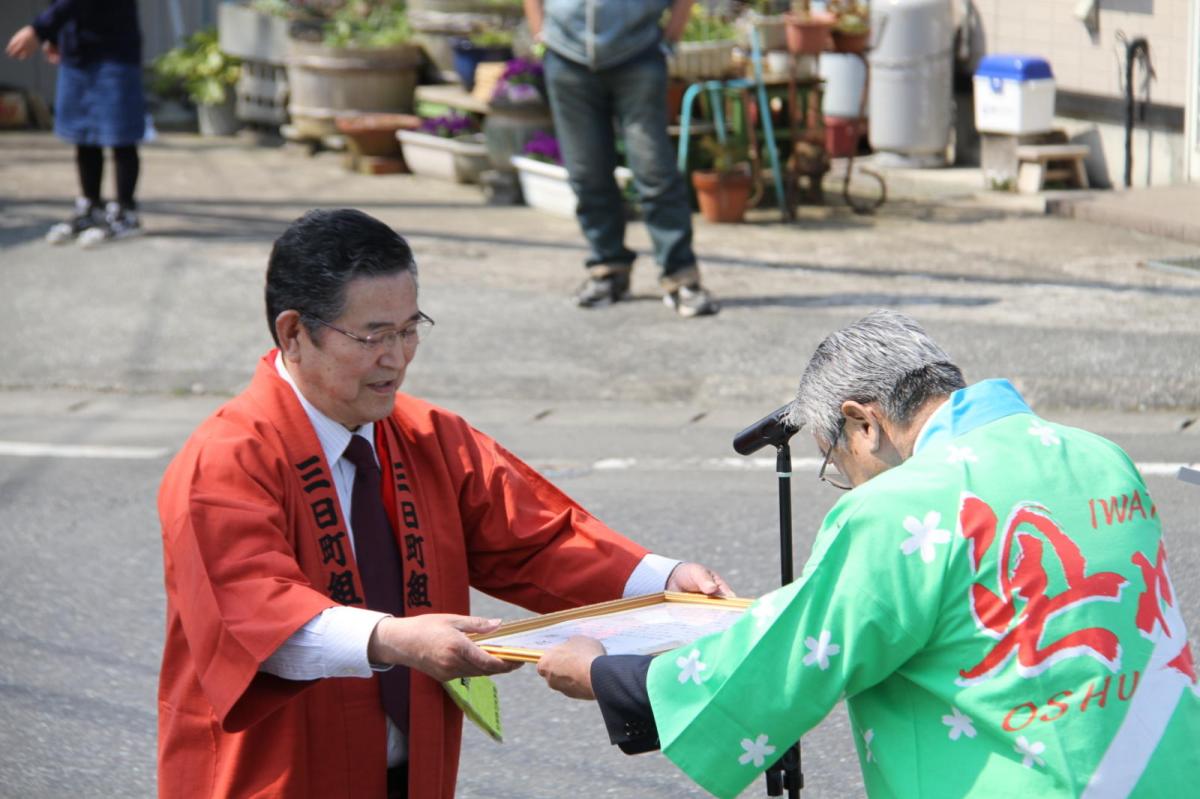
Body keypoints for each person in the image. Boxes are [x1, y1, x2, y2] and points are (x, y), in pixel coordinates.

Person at [156, 208, 732, 799]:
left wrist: (666, 582)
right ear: (293, 333)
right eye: (373, 335)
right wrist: (396, 639)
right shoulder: (227, 459)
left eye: (410, 329)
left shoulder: (427, 434)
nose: (398, 357)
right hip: (274, 773)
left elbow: (539, 539)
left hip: (413, 768)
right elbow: (255, 614)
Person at [537, 309, 1200, 797]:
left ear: (863, 422)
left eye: (836, 459)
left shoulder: (904, 505)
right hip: (1160, 766)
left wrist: (609, 676)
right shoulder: (1096, 454)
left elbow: (785, 663)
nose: (844, 481)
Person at [523, 0, 719, 318]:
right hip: (566, 54)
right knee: (586, 170)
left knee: (653, 168)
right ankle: (608, 268)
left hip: (637, 53)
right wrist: (540, 34)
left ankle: (681, 275)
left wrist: (670, 39)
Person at [5, 0, 145, 247]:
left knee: (119, 132)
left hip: (114, 50)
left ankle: (126, 213)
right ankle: (91, 208)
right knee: (83, 133)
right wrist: (58, 36)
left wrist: (39, 30)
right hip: (77, 52)